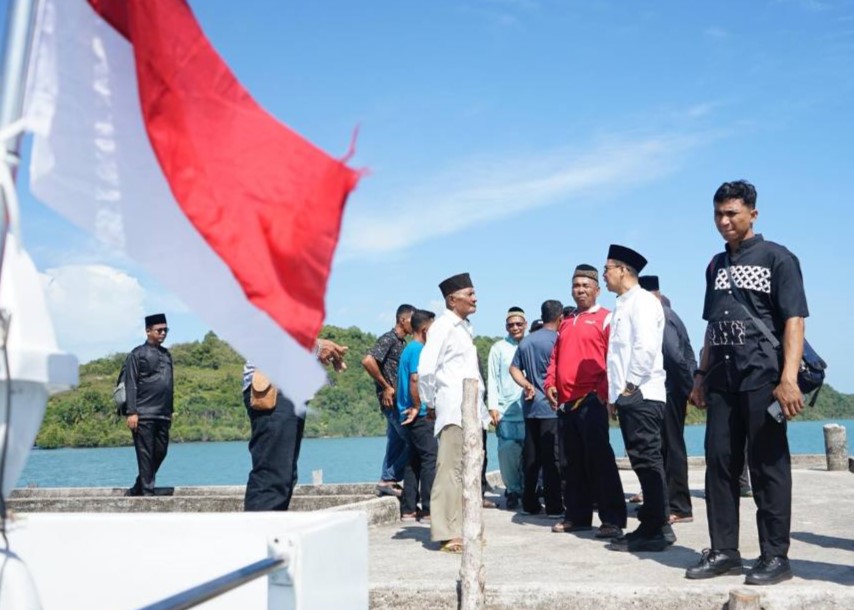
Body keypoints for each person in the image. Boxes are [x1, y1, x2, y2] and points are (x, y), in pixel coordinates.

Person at [686, 180, 808, 585]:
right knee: (719, 465)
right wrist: (700, 375)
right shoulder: (715, 265)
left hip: (763, 378)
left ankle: (775, 556)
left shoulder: (778, 258)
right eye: (718, 214)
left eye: (732, 214)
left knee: (768, 467)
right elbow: (711, 325)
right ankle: (725, 552)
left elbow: (794, 320)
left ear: (752, 214)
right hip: (722, 380)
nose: (724, 221)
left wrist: (788, 378)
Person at [545, 265, 626, 538]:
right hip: (566, 404)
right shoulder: (566, 323)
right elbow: (555, 358)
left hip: (591, 400)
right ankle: (577, 516)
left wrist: (604, 392)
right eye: (576, 285)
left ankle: (612, 519)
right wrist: (550, 382)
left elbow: (614, 357)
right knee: (571, 463)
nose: (580, 290)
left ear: (597, 290)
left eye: (585, 285)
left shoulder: (606, 318)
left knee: (600, 461)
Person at [602, 245, 671, 553]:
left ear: (623, 270)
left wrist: (629, 387)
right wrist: (615, 395)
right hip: (629, 395)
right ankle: (657, 525)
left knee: (647, 460)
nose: (604, 275)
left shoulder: (642, 302)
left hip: (642, 392)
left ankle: (655, 529)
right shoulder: (622, 305)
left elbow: (645, 348)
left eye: (607, 269)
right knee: (642, 461)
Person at [418, 272, 490, 553]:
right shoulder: (442, 327)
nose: (475, 299)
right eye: (469, 294)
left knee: (470, 469)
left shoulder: (464, 328)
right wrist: (430, 403)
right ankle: (448, 532)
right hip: (452, 407)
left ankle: (467, 527)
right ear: (452, 300)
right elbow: (427, 368)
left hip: (471, 409)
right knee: (450, 469)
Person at [243, 338, 348, 511]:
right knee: (272, 478)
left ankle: (268, 527)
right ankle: (258, 529)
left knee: (284, 477)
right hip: (274, 387)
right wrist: (315, 346)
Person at [639, 276, 697, 524]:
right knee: (664, 447)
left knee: (672, 448)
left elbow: (674, 356)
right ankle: (664, 502)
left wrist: (689, 388)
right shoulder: (666, 313)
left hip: (670, 390)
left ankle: (679, 506)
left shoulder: (661, 315)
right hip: (668, 389)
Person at [509, 300, 564, 516]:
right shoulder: (559, 339)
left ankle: (529, 503)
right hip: (552, 406)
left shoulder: (526, 342)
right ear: (560, 317)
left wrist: (526, 384)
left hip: (531, 406)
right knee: (552, 458)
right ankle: (554, 505)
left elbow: (513, 369)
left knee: (531, 457)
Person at [362, 304, 416, 497]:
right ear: (402, 320)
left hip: (398, 401)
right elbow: (368, 360)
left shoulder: (401, 343)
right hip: (392, 401)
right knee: (413, 441)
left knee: (396, 442)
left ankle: (387, 480)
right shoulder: (389, 339)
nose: (415, 324)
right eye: (412, 320)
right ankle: (389, 477)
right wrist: (385, 386)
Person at [124, 313, 174, 497]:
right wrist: (131, 411)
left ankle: (138, 487)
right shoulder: (137, 354)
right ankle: (147, 494)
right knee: (145, 454)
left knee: (161, 451)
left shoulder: (167, 355)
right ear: (148, 331)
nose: (163, 333)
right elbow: (130, 383)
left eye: (165, 330)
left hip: (163, 413)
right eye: (159, 330)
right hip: (143, 413)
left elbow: (170, 384)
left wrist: (170, 411)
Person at [398, 309, 438, 521]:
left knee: (413, 460)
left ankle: (409, 508)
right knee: (430, 457)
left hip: (408, 413)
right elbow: (415, 379)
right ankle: (429, 507)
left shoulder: (409, 349)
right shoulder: (418, 350)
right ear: (424, 329)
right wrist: (417, 405)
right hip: (419, 414)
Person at [487, 307, 527, 510]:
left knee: (530, 453)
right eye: (511, 325)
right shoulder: (498, 348)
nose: (515, 327)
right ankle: (512, 490)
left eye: (519, 324)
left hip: (529, 410)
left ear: (525, 325)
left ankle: (529, 490)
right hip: (506, 410)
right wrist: (492, 406)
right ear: (506, 327)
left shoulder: (530, 344)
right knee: (507, 452)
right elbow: (492, 378)